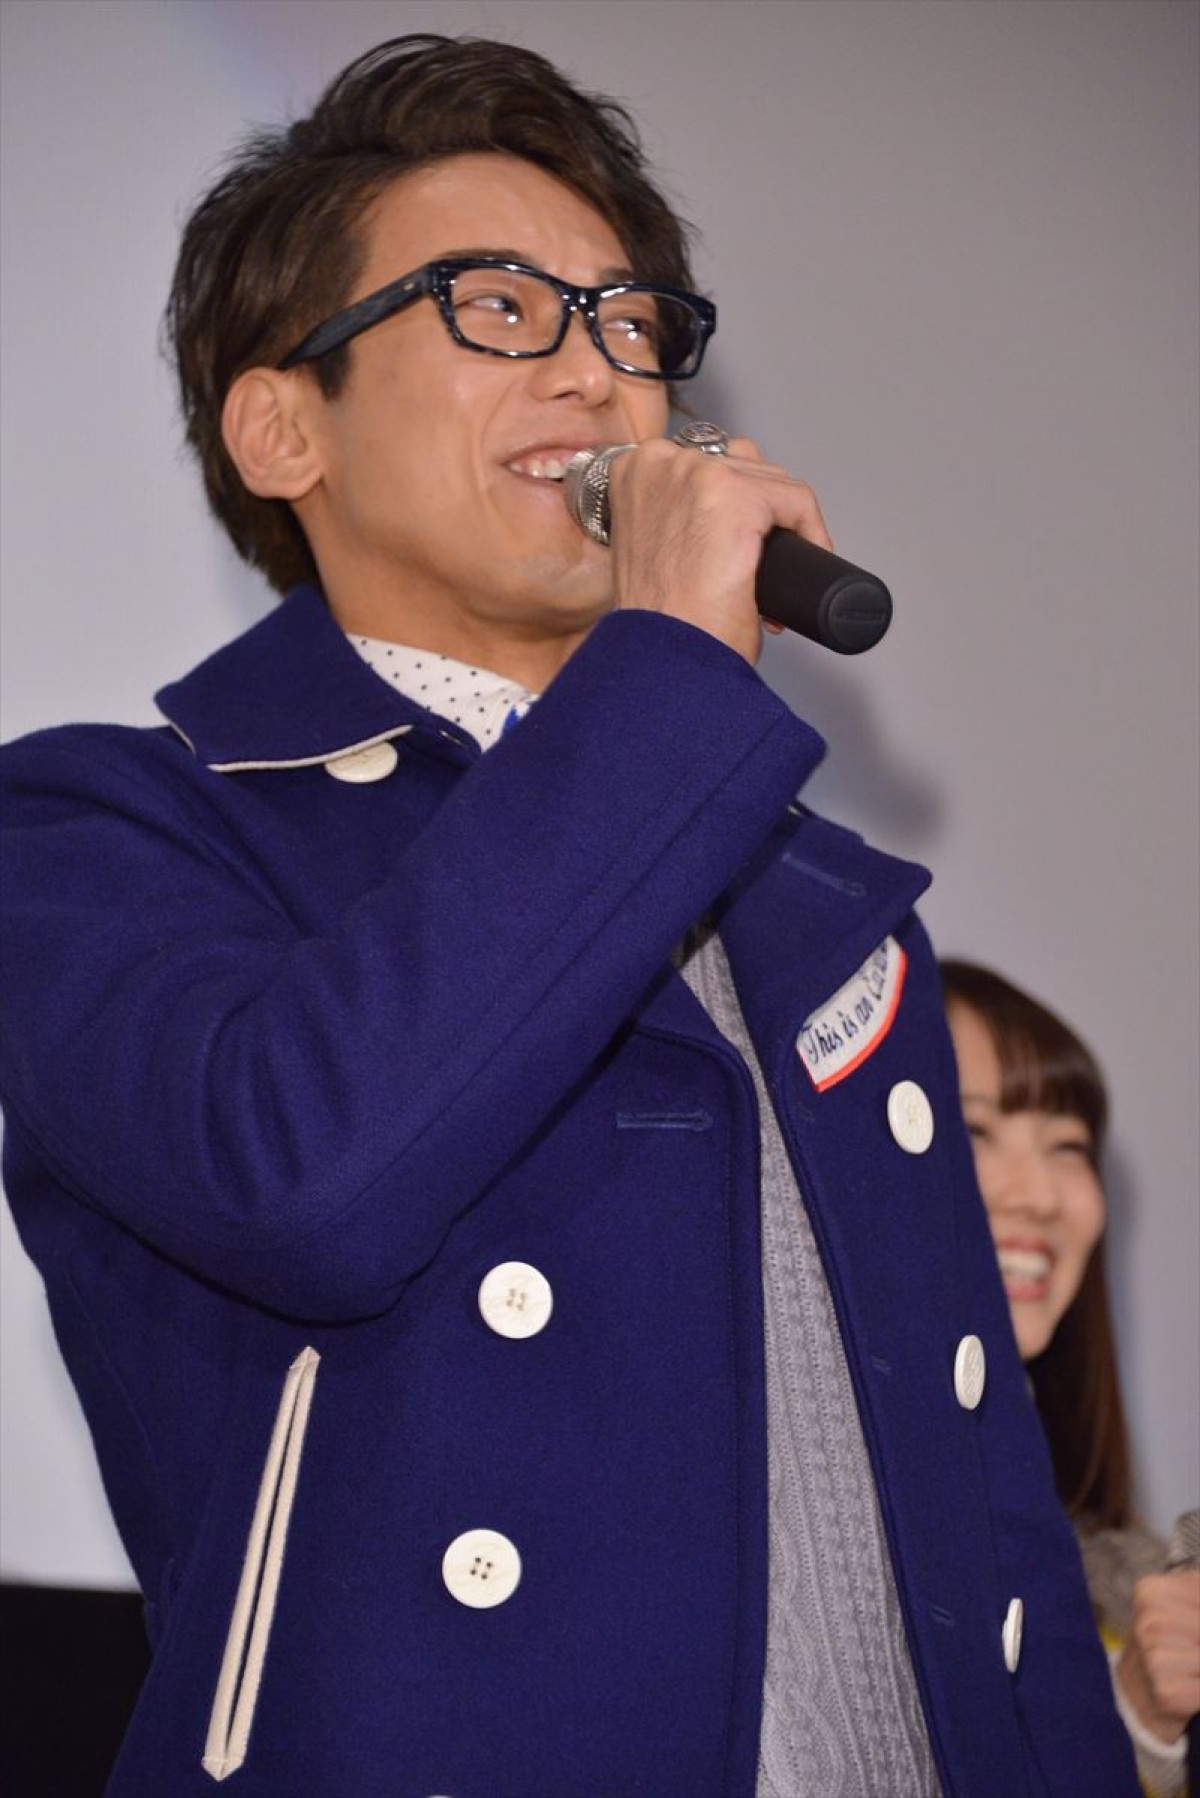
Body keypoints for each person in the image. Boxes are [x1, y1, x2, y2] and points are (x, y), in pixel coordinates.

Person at [0, 34, 1137, 1798]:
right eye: (499, 308)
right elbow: (304, 1176)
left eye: (630, 323)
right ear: (281, 424)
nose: (599, 370)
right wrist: (666, 674)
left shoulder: (829, 906)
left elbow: (994, 1536)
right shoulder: (106, 825)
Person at [942, 958, 1200, 1798]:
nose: (1042, 1196)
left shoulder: (1136, 1573)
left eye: (1068, 1146)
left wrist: (1148, 1725)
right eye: (975, 1130)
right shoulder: (787, 1530)